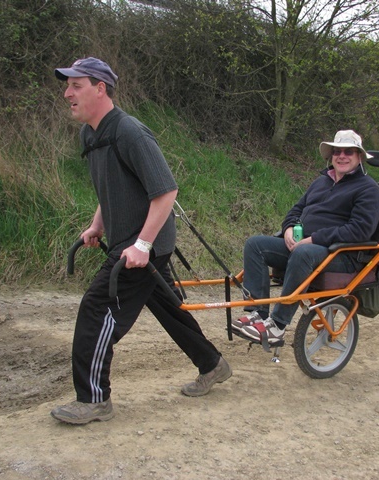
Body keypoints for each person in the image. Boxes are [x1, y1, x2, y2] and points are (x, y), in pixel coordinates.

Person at [51, 57, 230, 424]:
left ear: (100, 89)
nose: (67, 93)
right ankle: (212, 364)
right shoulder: (91, 134)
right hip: (128, 241)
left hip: (143, 244)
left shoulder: (130, 132)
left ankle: (93, 400)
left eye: (76, 85)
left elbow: (165, 192)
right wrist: (96, 225)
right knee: (167, 308)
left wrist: (142, 246)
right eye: (67, 86)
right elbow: (110, 187)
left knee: (96, 311)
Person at [232, 130, 379, 344]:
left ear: (359, 156)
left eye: (348, 152)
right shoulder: (321, 182)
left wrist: (314, 239)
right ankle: (259, 314)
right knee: (255, 244)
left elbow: (360, 230)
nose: (341, 156)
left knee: (304, 252)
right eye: (337, 151)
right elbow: (296, 210)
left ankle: (277, 326)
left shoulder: (368, 189)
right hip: (306, 248)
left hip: (342, 255)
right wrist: (288, 228)